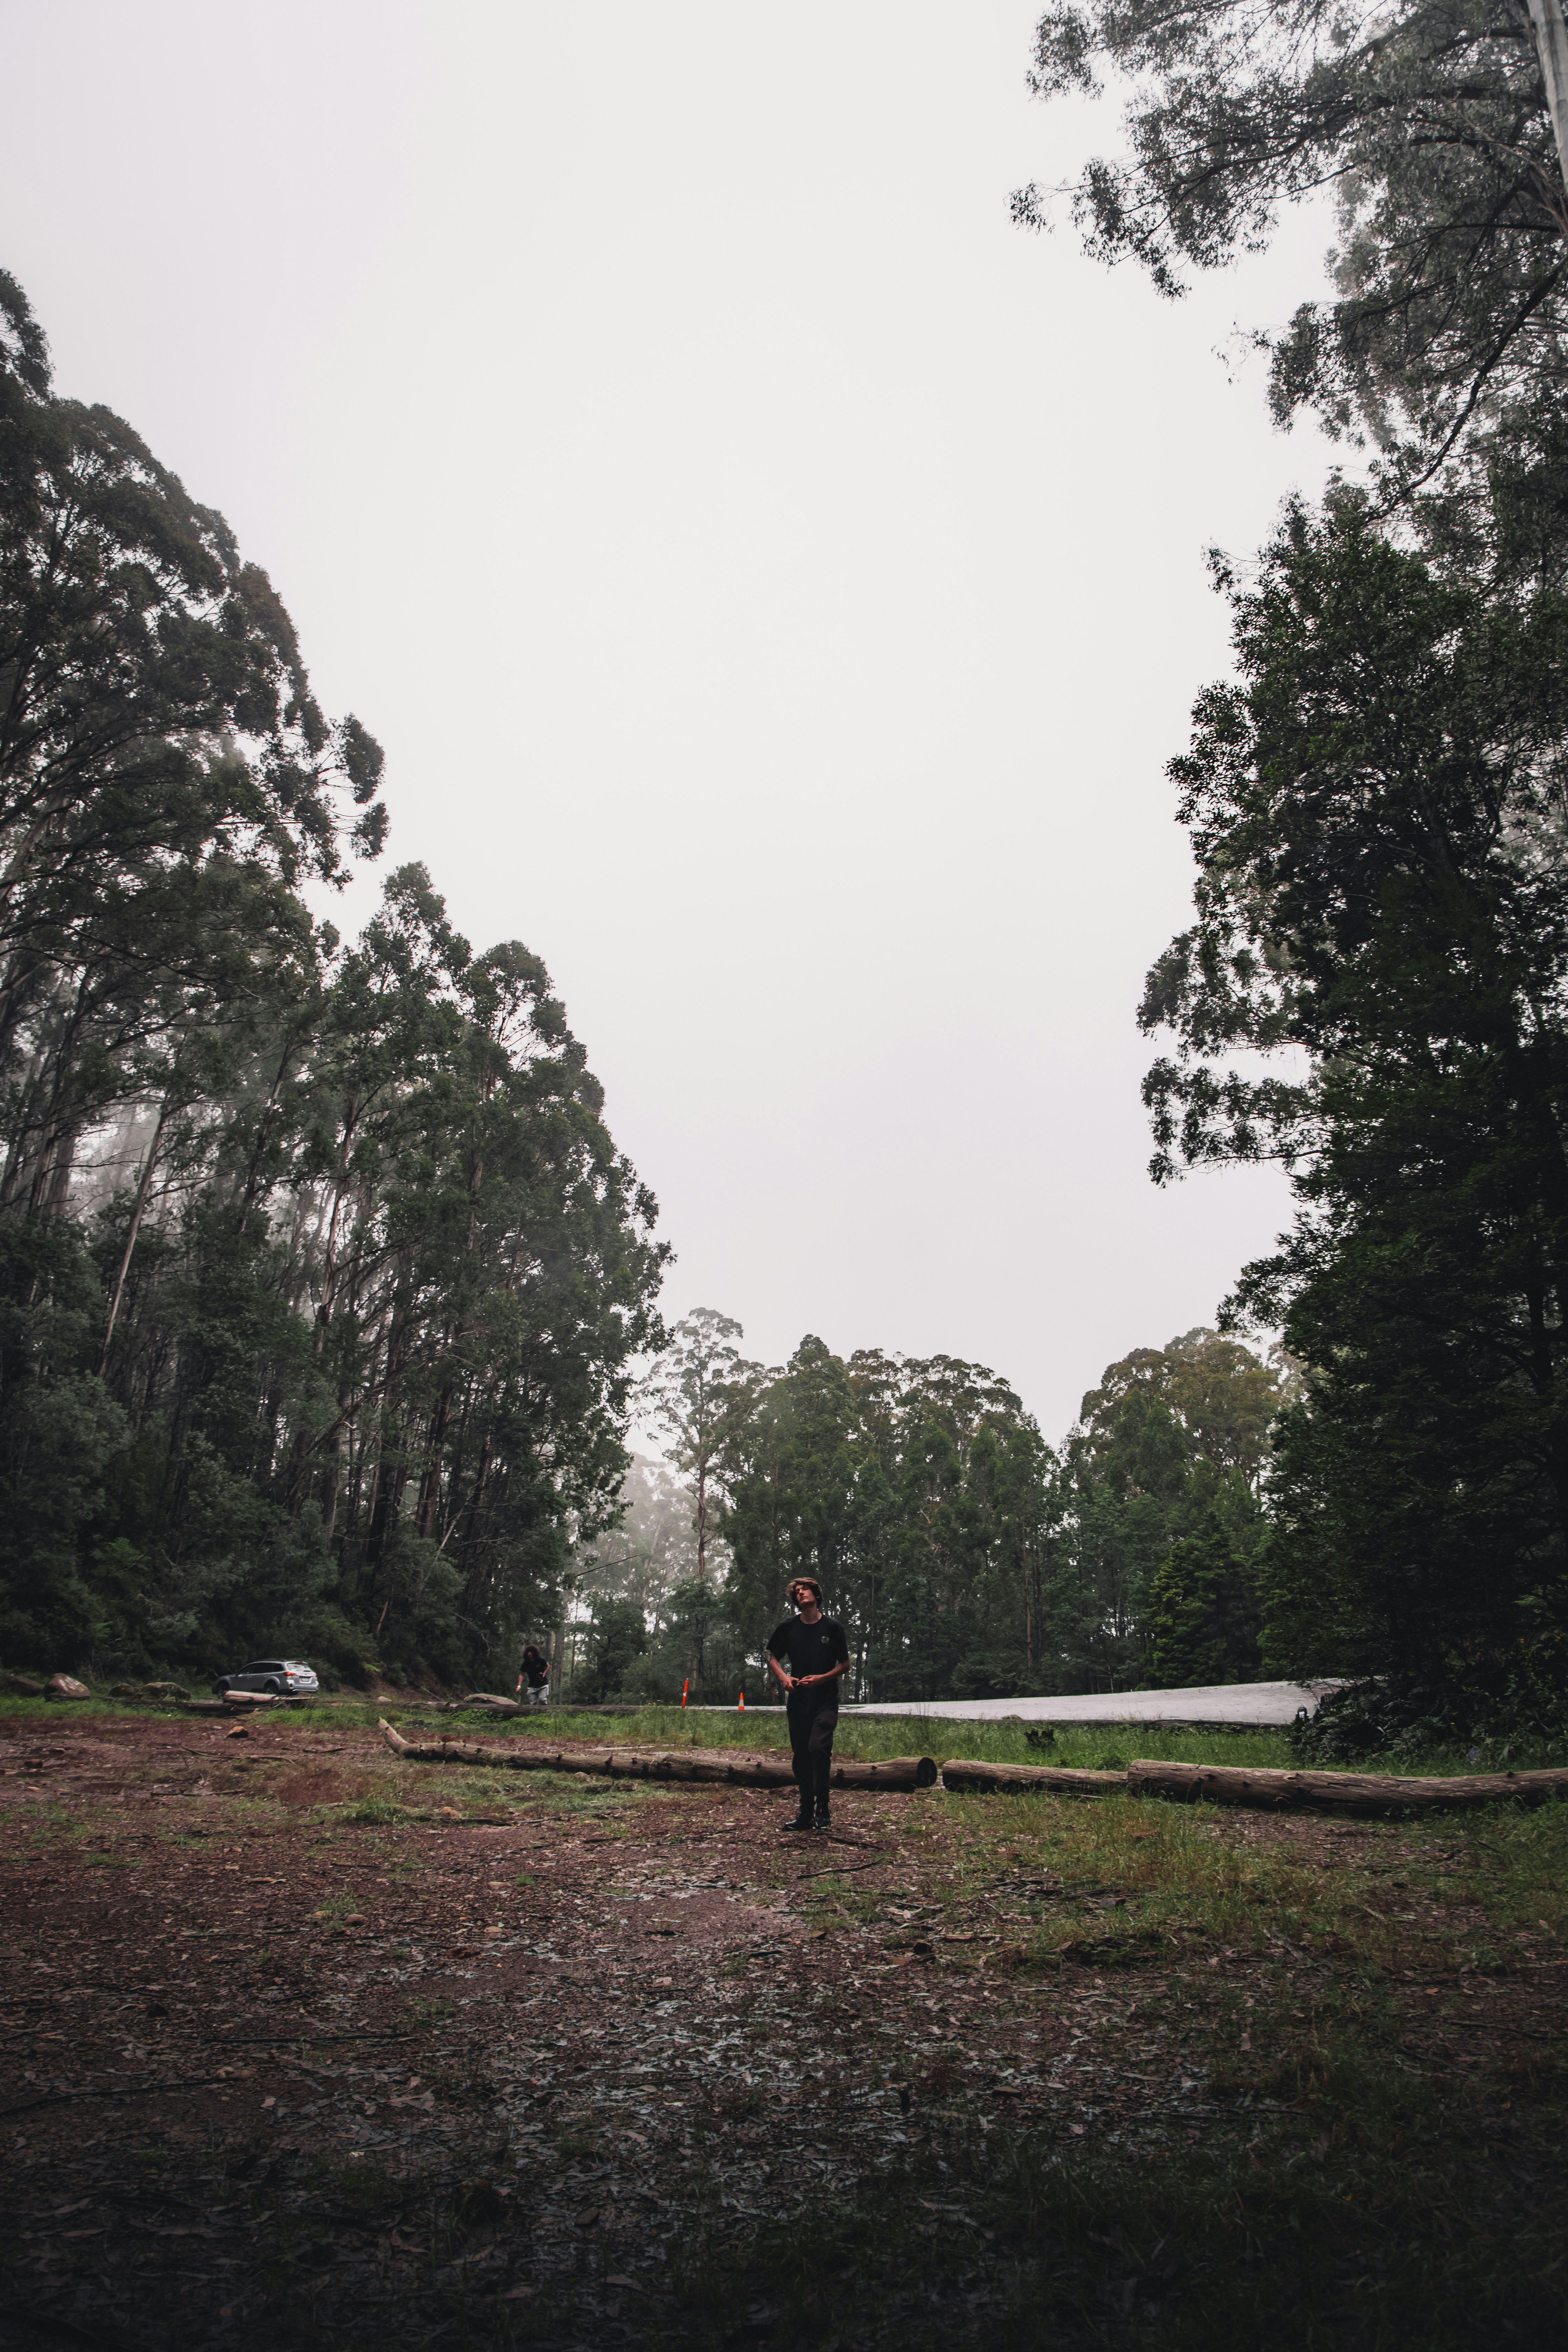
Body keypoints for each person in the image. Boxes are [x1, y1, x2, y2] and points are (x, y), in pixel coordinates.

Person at [766, 1577, 849, 1831]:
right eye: (797, 1592)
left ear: (816, 1594)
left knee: (818, 1748)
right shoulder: (788, 1627)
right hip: (799, 1701)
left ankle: (823, 1807)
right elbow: (773, 1657)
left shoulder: (832, 1627)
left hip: (825, 1701)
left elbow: (845, 1665)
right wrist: (784, 1678)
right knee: (801, 1756)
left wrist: (822, 1679)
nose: (801, 1593)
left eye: (805, 1590)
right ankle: (805, 1812)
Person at [517, 1644, 550, 1708]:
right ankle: (535, 1716)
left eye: (531, 1652)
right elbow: (522, 1674)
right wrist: (519, 1686)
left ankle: (545, 1714)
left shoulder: (541, 1660)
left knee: (542, 1700)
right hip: (532, 1686)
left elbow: (548, 1666)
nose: (529, 1654)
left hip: (543, 1685)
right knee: (533, 1703)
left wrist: (544, 1674)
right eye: (528, 1652)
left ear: (535, 1653)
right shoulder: (526, 1663)